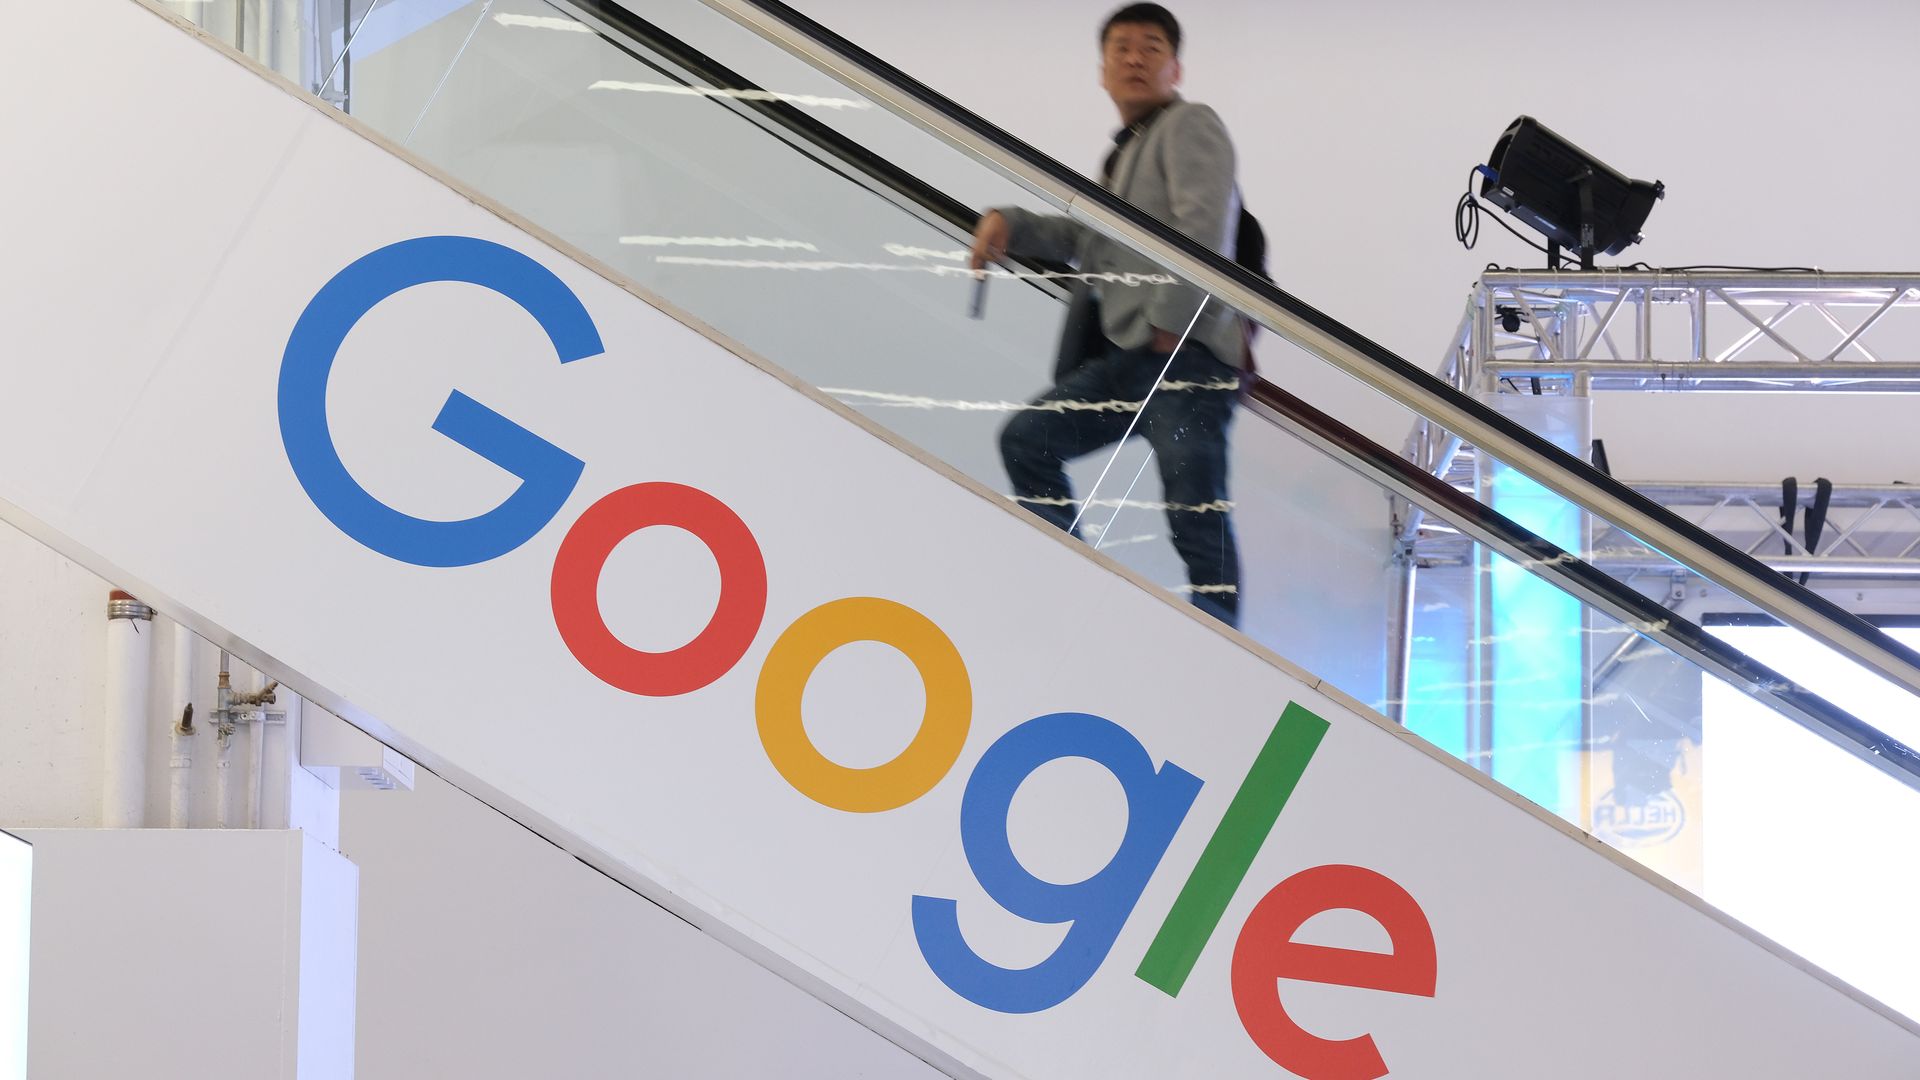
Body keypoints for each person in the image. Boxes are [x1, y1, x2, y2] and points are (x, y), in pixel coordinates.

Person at [972, 3, 1246, 628]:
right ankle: (1072, 580)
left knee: (1193, 502)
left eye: (1151, 47)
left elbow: (1205, 224)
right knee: (1026, 439)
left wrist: (1169, 322)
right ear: (1102, 70)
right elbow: (1085, 242)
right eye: (1121, 47)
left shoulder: (1190, 124)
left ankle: (1221, 638)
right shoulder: (1124, 159)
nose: (1134, 57)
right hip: (1130, 357)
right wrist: (1010, 225)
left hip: (1183, 353)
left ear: (1175, 67)